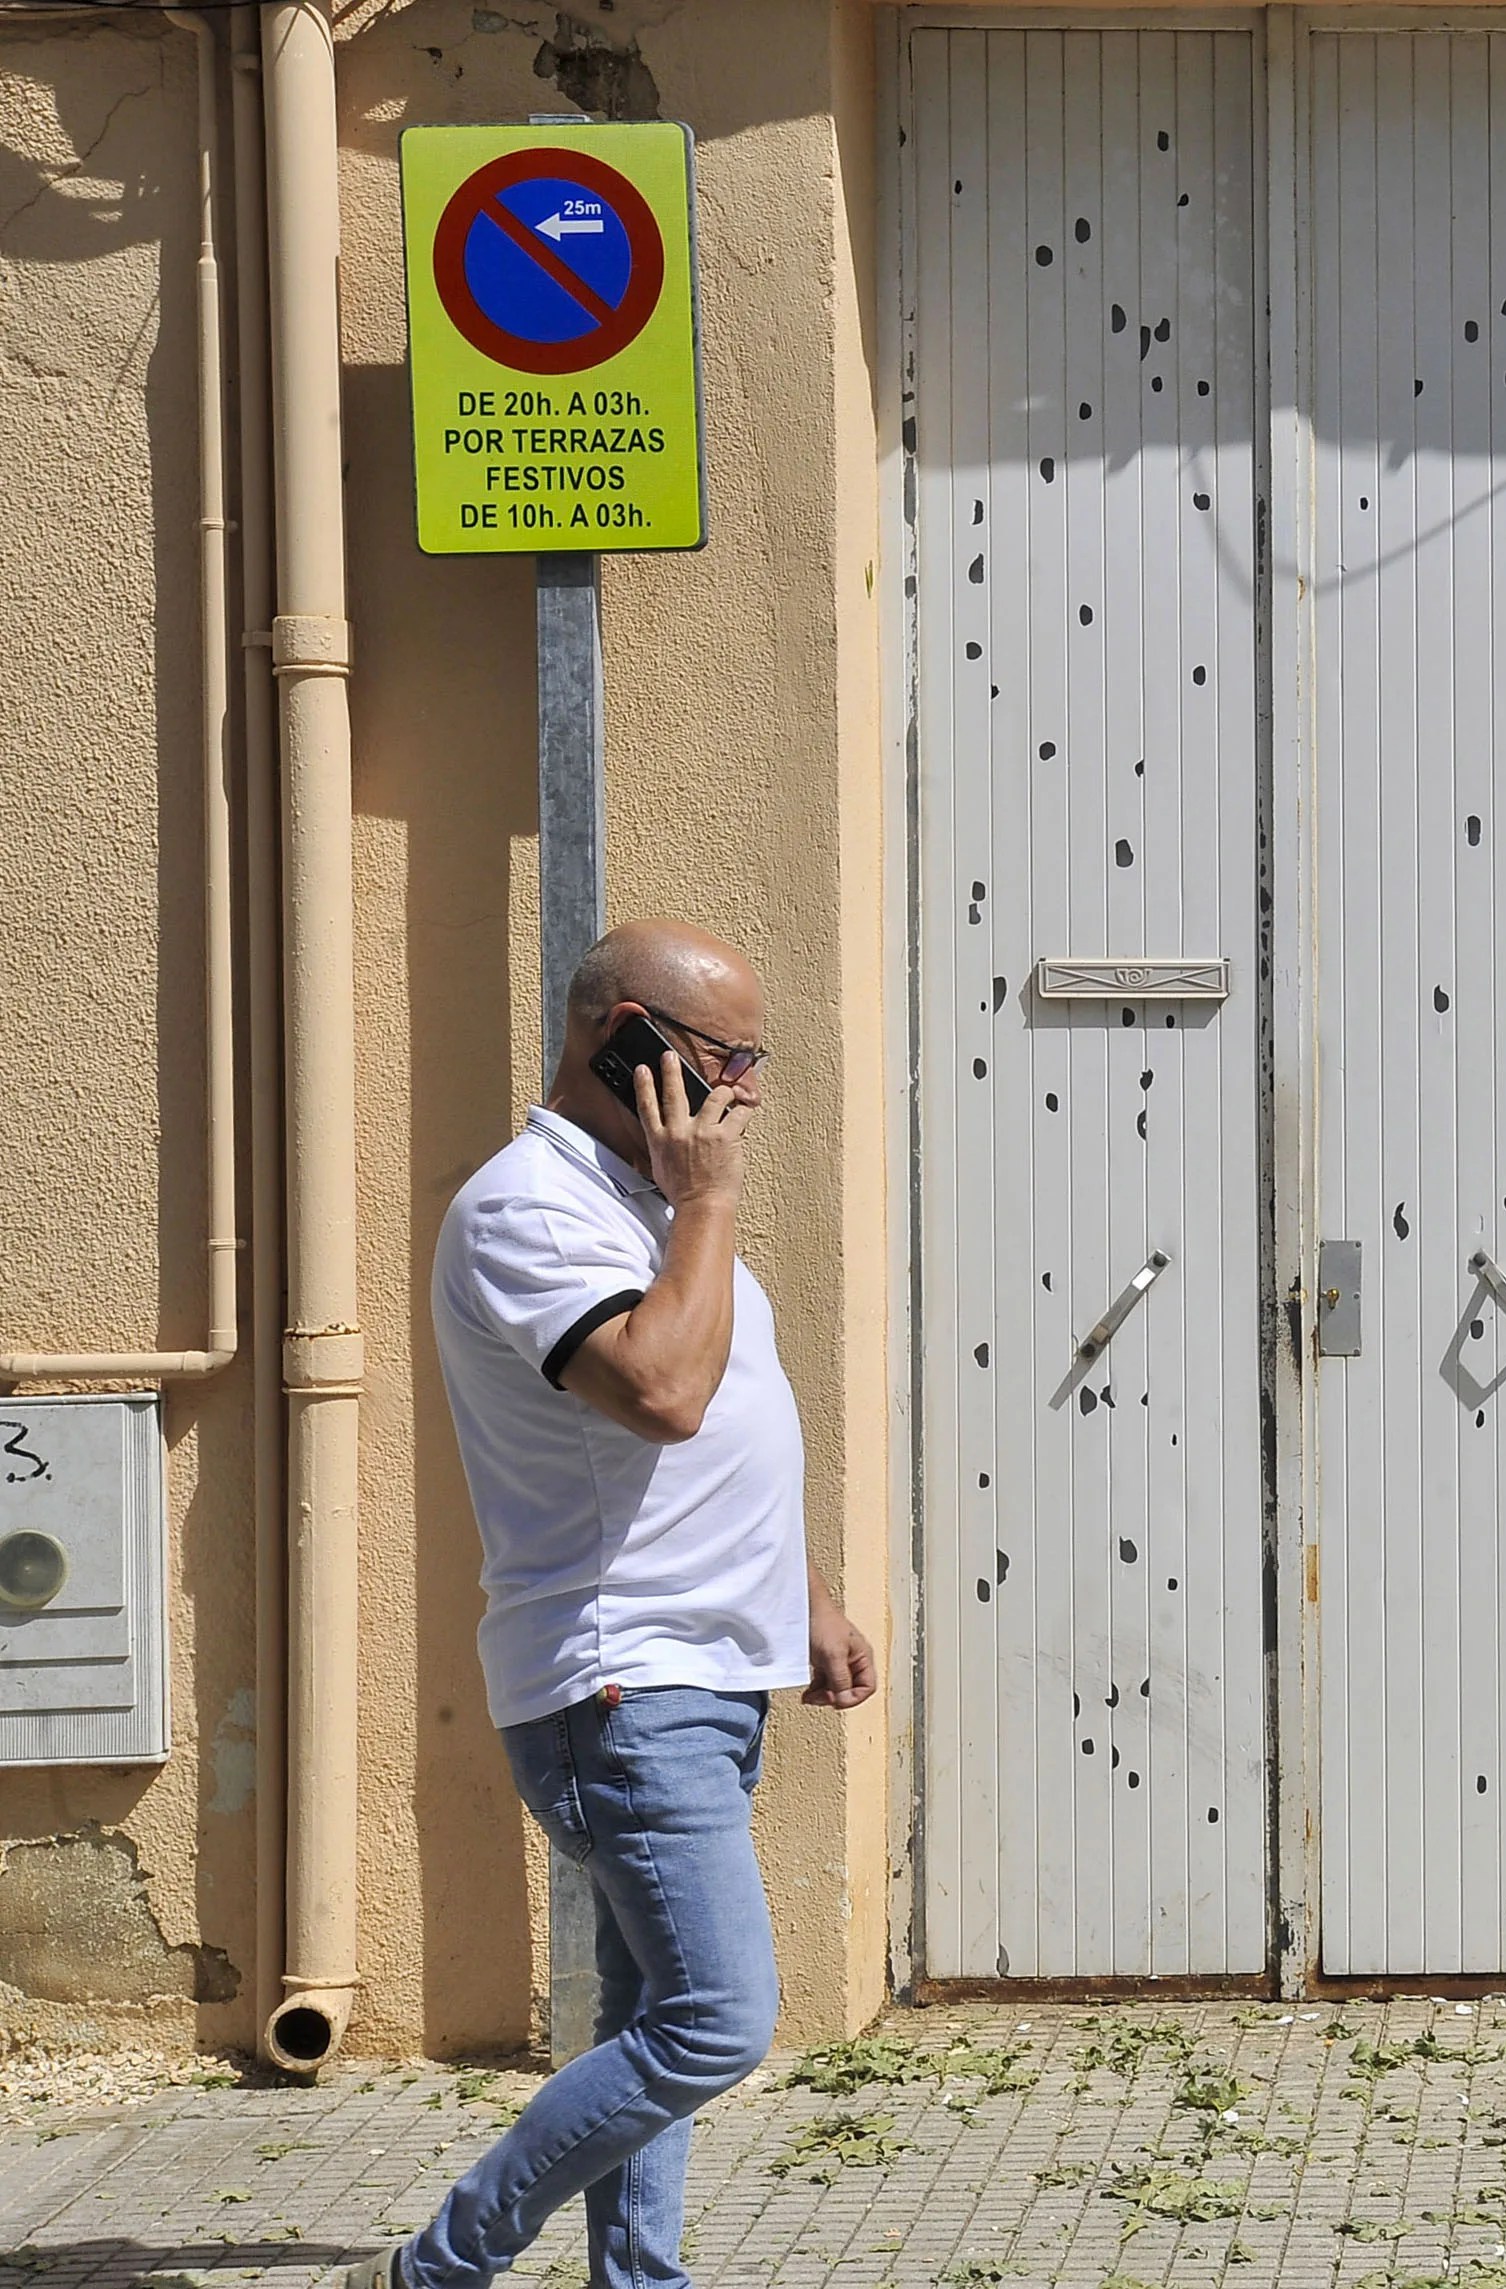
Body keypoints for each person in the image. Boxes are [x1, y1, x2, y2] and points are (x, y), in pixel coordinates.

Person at [375, 918, 877, 2289]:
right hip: (620, 1684)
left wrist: (809, 1595)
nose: (750, 1091)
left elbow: (733, 1429)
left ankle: (637, 2279)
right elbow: (660, 1394)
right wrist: (709, 1203)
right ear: (626, 1040)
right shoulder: (525, 1207)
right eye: (730, 1055)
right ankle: (436, 2266)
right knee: (718, 2018)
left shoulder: (651, 1208)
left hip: (702, 1670)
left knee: (658, 2006)